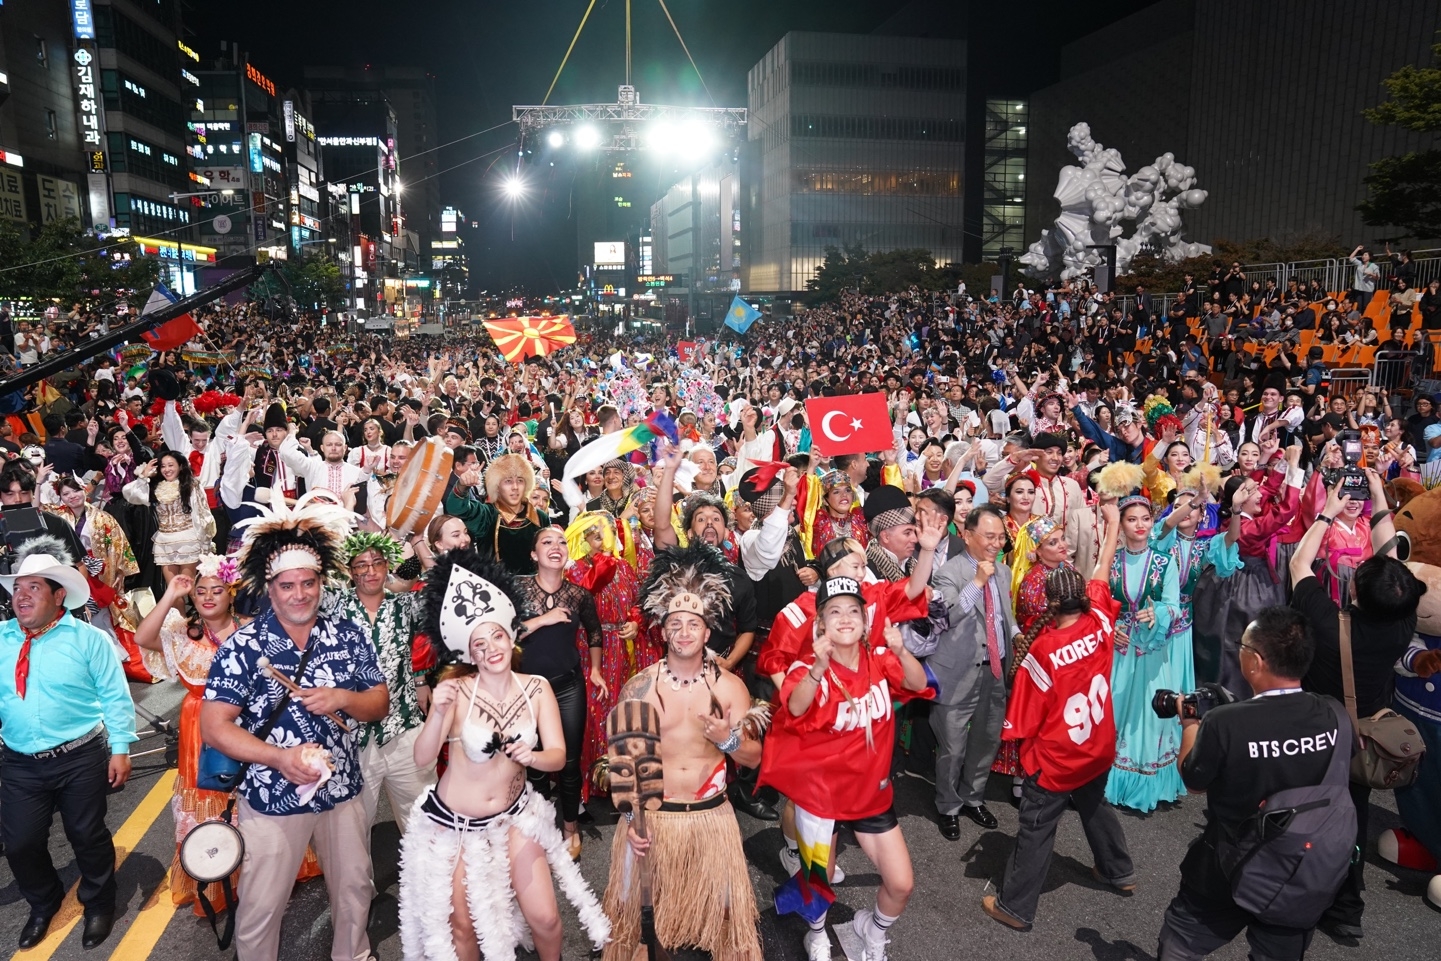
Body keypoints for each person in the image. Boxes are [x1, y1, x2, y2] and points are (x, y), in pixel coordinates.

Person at [200, 493, 390, 961]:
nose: (299, 594)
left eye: (308, 583)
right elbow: (214, 726)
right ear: (270, 589)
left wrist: (344, 698)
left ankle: (354, 954)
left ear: (321, 582)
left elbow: (379, 702)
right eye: (287, 586)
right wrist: (279, 758)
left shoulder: (346, 633)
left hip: (342, 788)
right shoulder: (243, 646)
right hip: (270, 795)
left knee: (354, 888)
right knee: (263, 904)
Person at [398, 552, 610, 961]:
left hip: (517, 815)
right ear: (470, 654)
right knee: (464, 933)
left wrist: (531, 757)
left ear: (510, 637)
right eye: (479, 644)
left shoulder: (536, 688)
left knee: (547, 919)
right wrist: (436, 713)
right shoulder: (457, 693)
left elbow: (559, 756)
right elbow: (423, 759)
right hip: (456, 827)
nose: (491, 648)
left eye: (496, 636)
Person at [1156, 607, 1352, 961]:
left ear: (1257, 661)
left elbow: (1194, 780)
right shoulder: (1333, 713)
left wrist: (1189, 725)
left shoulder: (1225, 723)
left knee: (1181, 942)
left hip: (1227, 863)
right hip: (1303, 868)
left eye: (1241, 646)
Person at [600, 543, 765, 961]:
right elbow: (623, 768)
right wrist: (629, 820)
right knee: (633, 930)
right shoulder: (640, 687)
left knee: (730, 931)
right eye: (676, 624)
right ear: (663, 631)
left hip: (712, 819)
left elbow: (753, 759)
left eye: (694, 624)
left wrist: (728, 739)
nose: (685, 632)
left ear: (708, 632)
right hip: (651, 821)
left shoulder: (730, 688)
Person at [762, 574, 938, 961]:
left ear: (864, 618)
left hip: (869, 794)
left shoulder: (879, 658)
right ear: (821, 623)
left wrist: (903, 649)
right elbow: (795, 706)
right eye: (834, 611)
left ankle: (871, 931)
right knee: (818, 879)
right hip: (820, 795)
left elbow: (918, 682)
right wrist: (818, 668)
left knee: (901, 883)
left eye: (853, 610)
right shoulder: (806, 667)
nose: (845, 618)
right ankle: (817, 933)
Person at [983, 502, 1133, 931]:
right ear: (1081, 595)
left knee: (1035, 828)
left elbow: (1023, 720)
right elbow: (1103, 570)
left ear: (1050, 602)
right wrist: (1111, 525)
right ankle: (1118, 870)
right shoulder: (1100, 618)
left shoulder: (1043, 650)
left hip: (1057, 759)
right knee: (1094, 804)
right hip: (1098, 746)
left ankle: (1014, 906)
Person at [1288, 475, 1417, 939]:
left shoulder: (1327, 622)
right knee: (1353, 819)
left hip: (1316, 735)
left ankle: (1296, 894)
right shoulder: (1401, 624)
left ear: (1356, 593)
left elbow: (1300, 562)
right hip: (1364, 740)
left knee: (1301, 814)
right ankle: (1347, 907)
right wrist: (1379, 498)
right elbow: (1392, 565)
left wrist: (1325, 513)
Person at [0, 543, 134, 950]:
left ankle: (99, 903)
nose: (21, 596)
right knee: (20, 842)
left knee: (86, 833)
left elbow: (114, 695)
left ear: (59, 596)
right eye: (17, 587)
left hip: (80, 756)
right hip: (19, 760)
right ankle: (44, 901)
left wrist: (122, 748)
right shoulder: (2, 639)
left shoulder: (88, 639)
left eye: (33, 587)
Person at [320, 531, 435, 834]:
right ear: (349, 570)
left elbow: (442, 585)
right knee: (352, 830)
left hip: (404, 727)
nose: (370, 571)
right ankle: (359, 884)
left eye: (376, 563)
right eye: (361, 565)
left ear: (387, 566)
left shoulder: (405, 605)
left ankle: (429, 881)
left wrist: (418, 540)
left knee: (426, 821)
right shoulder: (333, 605)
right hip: (350, 736)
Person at [930, 504, 1019, 839]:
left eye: (1001, 537)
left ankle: (973, 796)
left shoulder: (1005, 571)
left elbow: (1003, 617)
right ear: (967, 535)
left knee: (986, 739)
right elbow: (949, 615)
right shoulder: (948, 573)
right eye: (989, 536)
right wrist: (978, 582)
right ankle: (947, 805)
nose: (997, 543)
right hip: (957, 672)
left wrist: (1017, 635)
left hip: (995, 669)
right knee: (952, 746)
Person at [514, 527, 604, 857]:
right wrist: (543, 620)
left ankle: (570, 828)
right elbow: (501, 634)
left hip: (568, 686)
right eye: (546, 542)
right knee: (535, 763)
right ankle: (540, 825)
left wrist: (594, 670)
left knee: (567, 762)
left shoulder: (580, 595)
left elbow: (595, 633)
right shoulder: (517, 589)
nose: (556, 546)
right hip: (526, 692)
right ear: (534, 555)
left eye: (561, 542)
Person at [123, 449, 215, 583]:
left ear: (180, 466)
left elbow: (203, 514)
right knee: (173, 589)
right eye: (163, 466)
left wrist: (206, 542)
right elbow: (130, 494)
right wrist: (144, 475)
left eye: (171, 465)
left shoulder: (192, 485)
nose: (167, 469)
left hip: (188, 540)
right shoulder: (155, 487)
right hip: (164, 541)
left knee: (188, 588)